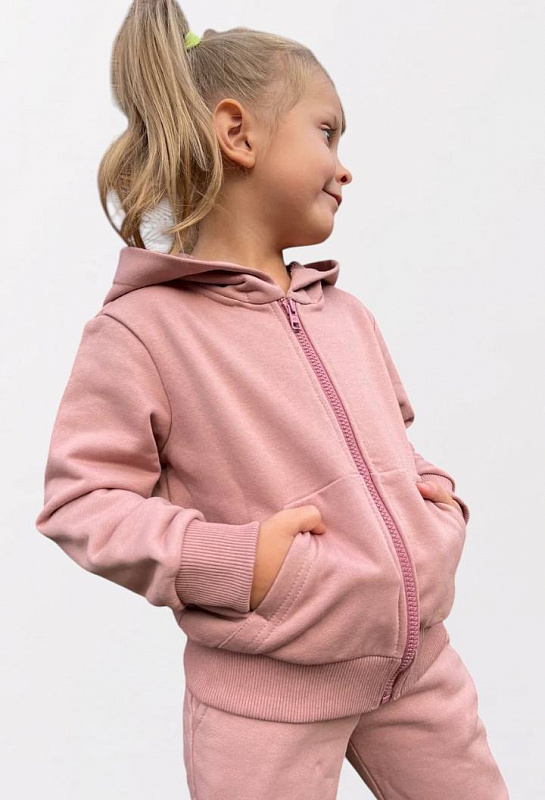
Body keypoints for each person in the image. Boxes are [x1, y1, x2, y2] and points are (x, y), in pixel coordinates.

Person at [35, 2, 510, 798]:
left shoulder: (347, 316)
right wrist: (240, 564)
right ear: (238, 134)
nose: (343, 166)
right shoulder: (142, 331)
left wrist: (436, 508)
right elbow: (80, 503)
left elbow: (393, 449)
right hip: (265, 701)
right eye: (326, 132)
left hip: (417, 667)